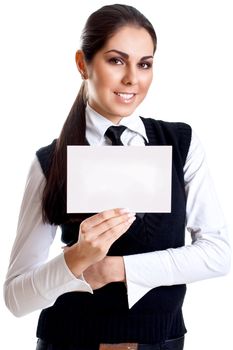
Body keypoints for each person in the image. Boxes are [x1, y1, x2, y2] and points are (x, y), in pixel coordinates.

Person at [3, 4, 231, 350]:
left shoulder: (179, 144)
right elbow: (16, 298)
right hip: (68, 340)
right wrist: (77, 257)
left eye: (144, 64)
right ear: (83, 64)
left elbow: (218, 253)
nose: (132, 79)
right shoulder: (51, 161)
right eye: (116, 60)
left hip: (162, 340)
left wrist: (117, 267)